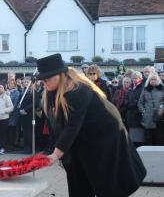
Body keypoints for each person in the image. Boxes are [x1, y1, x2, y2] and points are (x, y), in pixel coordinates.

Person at [36, 53, 146, 197]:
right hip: (83, 142)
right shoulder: (53, 92)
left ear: (60, 75)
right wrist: (53, 149)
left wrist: (56, 154)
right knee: (78, 181)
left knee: (108, 187)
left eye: (47, 78)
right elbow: (57, 126)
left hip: (105, 142)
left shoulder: (76, 90)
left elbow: (72, 125)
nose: (44, 82)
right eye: (42, 80)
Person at [138, 72, 164, 145]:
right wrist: (144, 112)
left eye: (155, 79)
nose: (153, 81)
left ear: (158, 80)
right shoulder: (145, 89)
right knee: (149, 138)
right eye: (151, 79)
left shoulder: (162, 89)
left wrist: (162, 109)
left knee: (159, 138)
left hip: (160, 117)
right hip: (148, 118)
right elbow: (140, 102)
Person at [18, 77, 38, 154]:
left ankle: (30, 148)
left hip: (30, 115)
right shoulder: (23, 93)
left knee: (30, 132)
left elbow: (35, 103)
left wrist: (25, 110)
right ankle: (26, 147)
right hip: (23, 116)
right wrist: (20, 110)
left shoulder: (33, 92)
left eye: (27, 82)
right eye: (24, 82)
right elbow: (20, 103)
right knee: (25, 133)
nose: (25, 83)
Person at [125, 71, 145, 147]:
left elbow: (142, 101)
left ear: (140, 78)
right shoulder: (131, 88)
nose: (134, 80)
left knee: (139, 139)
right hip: (130, 115)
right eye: (133, 78)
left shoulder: (142, 88)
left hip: (138, 115)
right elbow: (126, 99)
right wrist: (128, 104)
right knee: (132, 139)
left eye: (135, 78)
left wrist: (134, 105)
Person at [7, 79, 20, 151]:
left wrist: (10, 112)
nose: (10, 85)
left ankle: (12, 145)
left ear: (14, 85)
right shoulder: (6, 92)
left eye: (11, 83)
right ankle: (8, 144)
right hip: (6, 114)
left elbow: (15, 103)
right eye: (9, 83)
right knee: (7, 130)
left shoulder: (16, 92)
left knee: (12, 130)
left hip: (13, 114)